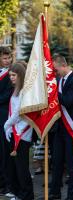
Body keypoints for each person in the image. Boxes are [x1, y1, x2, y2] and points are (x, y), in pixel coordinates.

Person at [50, 55, 73, 200]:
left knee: (72, 165)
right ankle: (55, 192)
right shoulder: (59, 80)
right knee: (57, 161)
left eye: (56, 68)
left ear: (63, 65)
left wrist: (54, 90)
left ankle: (72, 196)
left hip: (71, 129)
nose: (55, 72)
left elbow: (67, 101)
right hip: (59, 128)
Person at [4, 62, 34, 200]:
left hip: (22, 133)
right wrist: (9, 126)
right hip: (14, 131)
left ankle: (27, 195)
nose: (11, 78)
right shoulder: (15, 90)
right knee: (16, 166)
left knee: (22, 168)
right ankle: (19, 193)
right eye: (10, 75)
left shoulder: (24, 92)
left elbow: (19, 113)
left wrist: (7, 124)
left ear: (21, 75)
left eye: (14, 75)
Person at [0, 47, 13, 197]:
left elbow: (6, 96)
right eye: (4, 58)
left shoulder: (10, 75)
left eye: (9, 58)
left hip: (5, 118)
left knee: (5, 153)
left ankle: (7, 184)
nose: (7, 61)